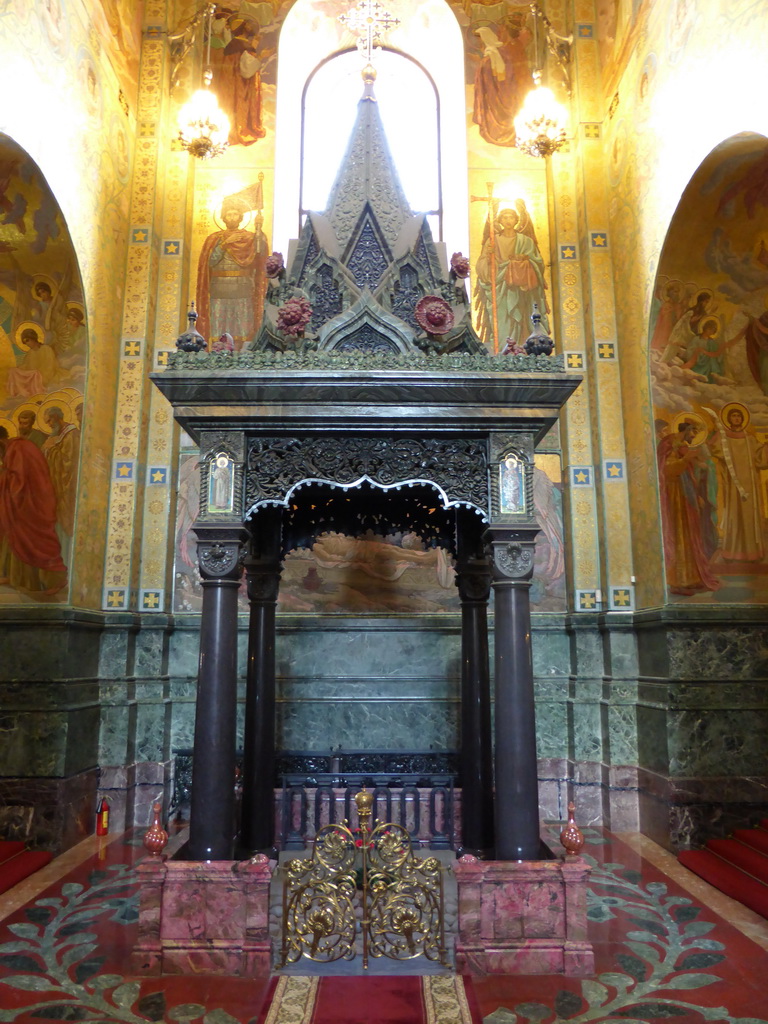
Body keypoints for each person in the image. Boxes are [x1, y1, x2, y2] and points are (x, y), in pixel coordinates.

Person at [0, 425, 67, 596]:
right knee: (13, 535)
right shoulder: (14, 449)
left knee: (36, 540)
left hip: (31, 503)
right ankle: (16, 577)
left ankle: (54, 580)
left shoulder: (19, 448)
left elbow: (20, 479)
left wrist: (3, 479)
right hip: (21, 502)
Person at [657, 418, 720, 595]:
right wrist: (686, 459)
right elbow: (666, 470)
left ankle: (691, 578)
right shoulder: (669, 443)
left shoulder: (682, 444)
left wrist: (699, 466)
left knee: (689, 536)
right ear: (687, 430)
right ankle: (677, 581)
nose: (694, 436)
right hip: (673, 496)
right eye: (693, 432)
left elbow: (691, 469)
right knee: (677, 535)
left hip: (685, 496)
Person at [474, 205, 549, 350]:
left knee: (520, 318)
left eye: (511, 217)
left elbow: (538, 263)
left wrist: (523, 261)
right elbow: (481, 266)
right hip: (500, 289)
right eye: (505, 217)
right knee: (502, 319)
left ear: (516, 220)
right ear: (500, 220)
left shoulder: (526, 241)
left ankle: (522, 348)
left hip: (521, 290)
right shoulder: (493, 240)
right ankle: (501, 349)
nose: (508, 220)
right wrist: (489, 259)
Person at [196, 200, 268, 350]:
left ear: (240, 217)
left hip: (242, 287)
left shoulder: (248, 238)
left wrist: (259, 232)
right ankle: (218, 352)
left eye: (235, 214)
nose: (232, 217)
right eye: (229, 214)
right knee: (219, 323)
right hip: (219, 288)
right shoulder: (214, 239)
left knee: (242, 323)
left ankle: (242, 353)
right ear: (223, 217)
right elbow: (210, 262)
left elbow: (259, 256)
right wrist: (225, 244)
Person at [709, 404, 768, 562]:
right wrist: (716, 432)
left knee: (750, 517)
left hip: (750, 485)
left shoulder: (750, 439)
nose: (736, 418)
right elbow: (713, 448)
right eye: (734, 416)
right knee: (735, 516)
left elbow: (760, 458)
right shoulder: (724, 438)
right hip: (734, 484)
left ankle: (753, 553)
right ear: (729, 419)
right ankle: (733, 552)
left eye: (739, 416)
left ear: (742, 419)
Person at [472, 15, 533, 147]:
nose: (499, 33)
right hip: (508, 88)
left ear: (505, 30)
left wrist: (486, 61)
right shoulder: (508, 47)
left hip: (510, 90)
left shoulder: (512, 47)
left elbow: (508, 69)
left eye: (501, 30)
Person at [41, 405, 79, 538]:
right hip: (56, 487)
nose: (49, 425)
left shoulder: (71, 433)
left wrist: (51, 450)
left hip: (66, 487)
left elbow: (69, 462)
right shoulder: (58, 434)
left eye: (50, 421)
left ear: (56, 417)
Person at [6, 325, 59, 396]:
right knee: (13, 371)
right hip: (32, 376)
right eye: (25, 342)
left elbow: (50, 366)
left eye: (27, 340)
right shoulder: (30, 353)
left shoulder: (46, 349)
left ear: (33, 338)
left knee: (34, 375)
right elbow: (26, 366)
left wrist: (37, 374)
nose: (27, 344)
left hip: (42, 376)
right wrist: (17, 369)